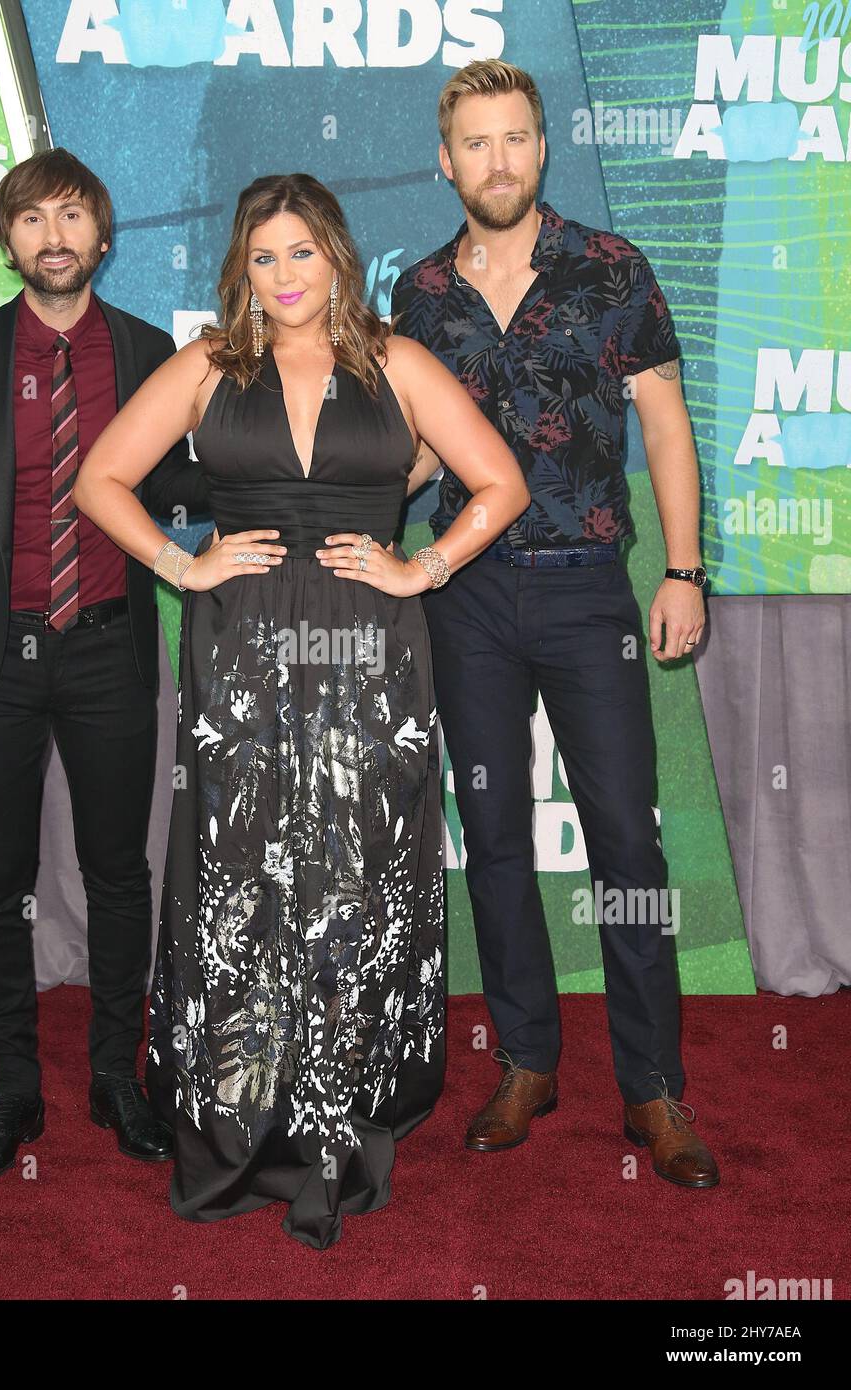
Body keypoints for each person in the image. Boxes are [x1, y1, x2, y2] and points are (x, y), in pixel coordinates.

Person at [73, 172, 530, 1248]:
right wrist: (177, 566)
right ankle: (242, 1111)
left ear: (336, 253)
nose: (282, 277)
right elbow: (100, 479)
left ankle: (343, 1115)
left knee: (356, 876)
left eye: (300, 253)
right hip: (240, 653)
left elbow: (498, 482)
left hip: (372, 653)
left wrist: (425, 566)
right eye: (262, 257)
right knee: (244, 877)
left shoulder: (396, 362)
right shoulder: (206, 368)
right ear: (242, 267)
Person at [391, 60, 721, 1188]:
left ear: (543, 148)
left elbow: (665, 430)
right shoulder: (419, 291)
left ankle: (650, 1087)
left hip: (589, 591)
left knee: (625, 841)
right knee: (489, 840)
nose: (496, 160)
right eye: (474, 143)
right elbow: (425, 448)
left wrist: (682, 569)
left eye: (514, 139)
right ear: (446, 161)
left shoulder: (610, 266)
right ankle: (526, 1060)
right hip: (465, 594)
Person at [0, 148, 209, 1184]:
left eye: (72, 216)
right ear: (8, 241)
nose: (53, 235)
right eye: (31, 219)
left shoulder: (149, 348)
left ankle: (116, 1080)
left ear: (103, 235)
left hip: (111, 649)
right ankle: (10, 1088)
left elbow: (173, 486)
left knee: (121, 875)